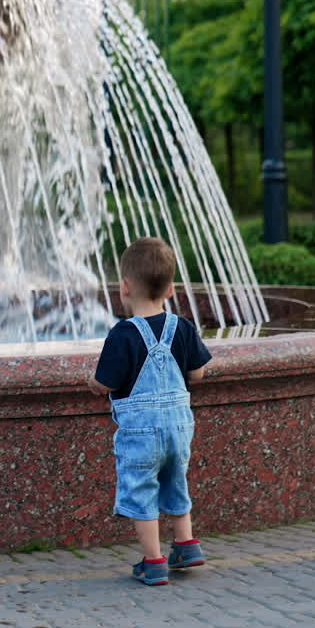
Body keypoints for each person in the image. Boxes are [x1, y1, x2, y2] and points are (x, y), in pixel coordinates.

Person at [87, 237, 212, 586]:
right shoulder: (183, 327)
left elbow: (106, 382)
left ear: (125, 287)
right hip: (179, 427)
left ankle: (154, 561)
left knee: (142, 489)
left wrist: (92, 384)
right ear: (171, 288)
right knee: (175, 479)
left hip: (141, 433)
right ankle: (187, 545)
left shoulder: (122, 334)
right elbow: (198, 373)